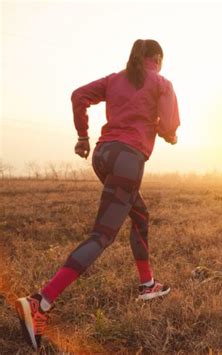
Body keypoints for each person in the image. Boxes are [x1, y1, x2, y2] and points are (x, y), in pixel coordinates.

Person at [15, 39, 180, 350]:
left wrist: (82, 136)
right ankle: (41, 301)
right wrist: (167, 132)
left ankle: (147, 285)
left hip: (103, 154)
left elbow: (79, 96)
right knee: (102, 236)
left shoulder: (114, 79)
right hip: (128, 159)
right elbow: (170, 124)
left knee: (139, 215)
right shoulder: (161, 83)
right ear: (156, 58)